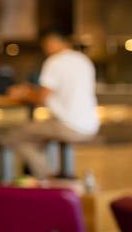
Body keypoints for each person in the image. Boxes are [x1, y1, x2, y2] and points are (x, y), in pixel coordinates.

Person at [5, 30, 99, 179]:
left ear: (51, 42)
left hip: (67, 125)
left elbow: (41, 98)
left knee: (14, 136)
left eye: (45, 46)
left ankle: (46, 178)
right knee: (37, 135)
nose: (45, 50)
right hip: (90, 125)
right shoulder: (83, 60)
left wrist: (22, 93)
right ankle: (57, 176)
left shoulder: (55, 62)